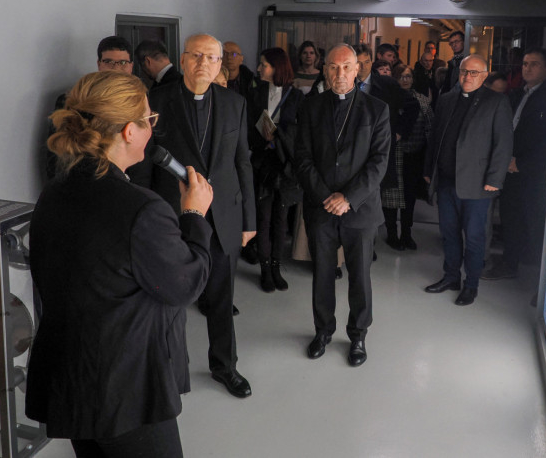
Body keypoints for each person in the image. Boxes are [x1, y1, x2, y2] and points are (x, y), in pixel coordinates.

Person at [26, 71, 214, 457]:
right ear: (130, 131)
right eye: (149, 119)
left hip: (70, 377)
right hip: (126, 387)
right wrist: (194, 214)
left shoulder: (55, 191)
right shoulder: (141, 209)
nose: (151, 128)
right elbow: (184, 284)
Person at [143, 33, 256, 398]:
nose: (203, 63)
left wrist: (249, 219)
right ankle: (170, 367)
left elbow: (242, 162)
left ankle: (225, 366)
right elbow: (144, 165)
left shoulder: (235, 103)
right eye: (196, 56)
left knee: (221, 297)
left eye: (211, 57)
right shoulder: (156, 101)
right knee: (170, 297)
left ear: (220, 64)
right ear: (183, 59)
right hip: (171, 215)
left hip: (223, 215)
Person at [295, 43, 391, 366]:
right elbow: (302, 157)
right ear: (325, 70)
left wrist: (348, 198)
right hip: (321, 207)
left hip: (360, 210)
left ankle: (358, 335)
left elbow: (379, 163)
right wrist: (327, 196)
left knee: (359, 276)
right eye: (334, 67)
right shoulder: (311, 107)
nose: (340, 73)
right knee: (322, 274)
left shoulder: (377, 109)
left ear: (357, 70)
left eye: (346, 67)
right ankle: (323, 331)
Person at [423, 55, 513, 306]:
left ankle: (471, 284)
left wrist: (495, 178)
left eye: (474, 73)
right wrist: (429, 169)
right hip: (446, 181)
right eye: (464, 71)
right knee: (449, 233)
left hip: (478, 184)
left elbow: (503, 143)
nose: (467, 77)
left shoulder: (496, 102)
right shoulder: (446, 99)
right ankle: (451, 277)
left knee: (474, 237)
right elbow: (435, 137)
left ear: (484, 76)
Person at [483, 48, 546, 281]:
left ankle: (541, 279)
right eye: (525, 64)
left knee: (534, 220)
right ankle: (510, 262)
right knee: (511, 217)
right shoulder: (517, 94)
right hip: (509, 166)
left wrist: (522, 163)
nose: (528, 68)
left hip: (534, 172)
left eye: (534, 64)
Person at [247, 47, 305, 292]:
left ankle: (276, 266)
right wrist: (263, 138)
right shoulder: (254, 93)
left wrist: (278, 134)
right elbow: (247, 128)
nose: (259, 68)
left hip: (285, 165)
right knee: (263, 217)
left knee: (281, 220)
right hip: (262, 162)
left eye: (264, 64)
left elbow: (301, 132)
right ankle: (264, 270)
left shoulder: (296, 96)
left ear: (277, 67)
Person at [354, 44, 419, 251]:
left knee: (373, 198)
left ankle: (369, 246)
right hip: (352, 151)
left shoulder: (386, 84)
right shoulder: (346, 82)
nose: (362, 67)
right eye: (358, 63)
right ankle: (355, 246)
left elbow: (413, 105)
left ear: (371, 61)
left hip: (377, 150)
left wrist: (399, 132)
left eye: (366, 62)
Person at [45, 35, 135, 180]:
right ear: (99, 64)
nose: (116, 68)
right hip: (85, 184)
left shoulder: (142, 103)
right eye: (108, 62)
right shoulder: (73, 101)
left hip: (135, 187)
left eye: (123, 62)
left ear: (131, 66)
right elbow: (57, 154)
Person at [385, 63, 433, 249]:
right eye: (401, 76)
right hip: (394, 155)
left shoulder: (422, 101)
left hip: (414, 156)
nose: (405, 80)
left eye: (408, 76)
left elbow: (430, 128)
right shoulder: (389, 99)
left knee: (409, 198)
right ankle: (391, 234)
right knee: (391, 197)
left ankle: (406, 233)